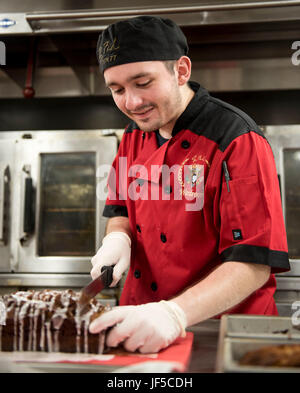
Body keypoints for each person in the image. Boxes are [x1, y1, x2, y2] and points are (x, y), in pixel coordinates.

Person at [88, 15, 290, 353]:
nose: (132, 103)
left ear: (181, 71)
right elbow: (119, 206)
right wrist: (117, 238)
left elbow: (253, 262)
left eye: (143, 82)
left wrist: (173, 314)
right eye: (118, 90)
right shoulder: (131, 136)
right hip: (139, 325)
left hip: (220, 331)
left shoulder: (237, 138)